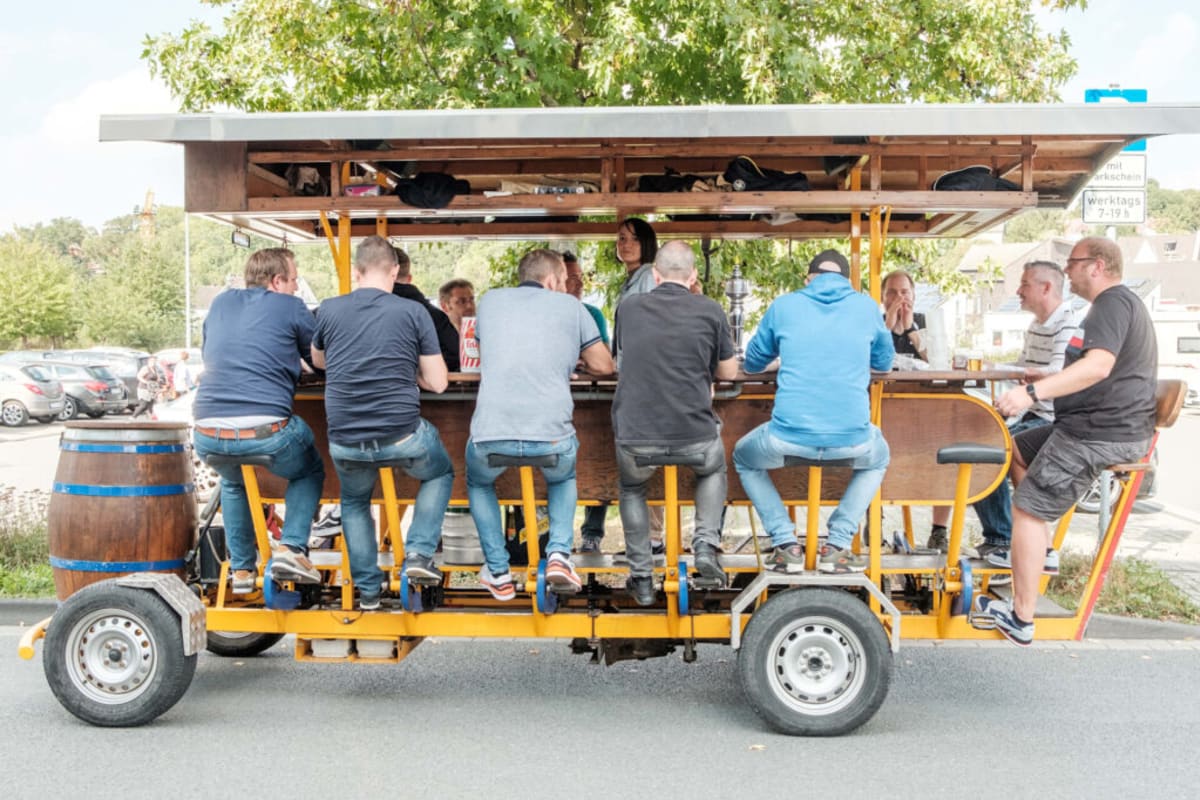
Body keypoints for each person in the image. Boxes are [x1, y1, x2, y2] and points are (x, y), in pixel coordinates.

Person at [976, 236, 1156, 645]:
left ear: (1096, 266)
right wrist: (1042, 381)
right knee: (1014, 450)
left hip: (1097, 434)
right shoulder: (1112, 306)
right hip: (1088, 426)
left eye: (1073, 264)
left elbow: (1098, 366)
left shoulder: (1111, 304)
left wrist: (1032, 394)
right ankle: (1041, 549)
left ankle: (1021, 617)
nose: (1068, 272)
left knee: (1027, 510)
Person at [311, 236, 455, 610]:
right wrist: (412, 372)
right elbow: (439, 383)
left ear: (356, 272)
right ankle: (419, 556)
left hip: (345, 438)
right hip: (402, 434)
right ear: (395, 272)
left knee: (356, 501)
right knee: (439, 473)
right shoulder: (413, 313)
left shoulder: (328, 309)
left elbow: (320, 361)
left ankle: (370, 594)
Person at [466, 249, 614, 600]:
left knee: (478, 482)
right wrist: (570, 356)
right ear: (551, 280)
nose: (565, 288)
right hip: (551, 436)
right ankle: (560, 554)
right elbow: (605, 366)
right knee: (562, 475)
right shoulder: (572, 308)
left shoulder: (489, 302)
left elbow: (495, 353)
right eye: (563, 282)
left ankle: (499, 572)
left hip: (490, 435)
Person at [734, 249, 894, 573]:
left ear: (809, 279)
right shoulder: (866, 307)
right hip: (854, 441)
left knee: (742, 456)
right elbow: (884, 362)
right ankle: (836, 544)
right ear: (847, 281)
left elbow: (752, 362)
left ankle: (785, 544)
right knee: (879, 456)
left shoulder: (785, 305)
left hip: (786, 439)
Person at [192, 248, 326, 594]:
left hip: (207, 432)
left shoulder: (220, 303)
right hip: (266, 432)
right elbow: (320, 359)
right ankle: (292, 548)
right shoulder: (290, 306)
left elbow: (219, 353)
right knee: (309, 468)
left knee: (235, 481)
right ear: (277, 280)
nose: (297, 288)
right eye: (294, 280)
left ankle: (242, 572)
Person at [612, 241, 738, 604]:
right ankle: (704, 547)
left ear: (654, 275)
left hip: (635, 436)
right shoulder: (710, 309)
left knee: (633, 488)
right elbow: (728, 371)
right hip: (693, 434)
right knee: (713, 470)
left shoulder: (630, 306)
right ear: (694, 275)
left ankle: (640, 577)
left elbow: (624, 356)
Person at [972, 260, 1081, 566]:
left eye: (1024, 284)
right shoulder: (1037, 325)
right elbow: (1024, 367)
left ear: (1046, 288)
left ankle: (1006, 540)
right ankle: (1013, 540)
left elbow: (1060, 372)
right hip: (1034, 414)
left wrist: (1022, 373)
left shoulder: (1068, 322)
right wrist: (1001, 368)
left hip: (1054, 419)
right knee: (977, 441)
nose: (1018, 291)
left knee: (989, 451)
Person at [882, 268, 951, 548]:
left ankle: (939, 530)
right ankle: (874, 522)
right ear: (883, 297)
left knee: (942, 453)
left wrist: (910, 330)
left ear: (914, 295)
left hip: (924, 406)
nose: (900, 298)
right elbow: (868, 358)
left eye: (905, 292)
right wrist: (886, 327)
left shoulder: (925, 323)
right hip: (884, 405)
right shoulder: (874, 324)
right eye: (893, 293)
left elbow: (938, 361)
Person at [562, 250, 612, 549]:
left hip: (591, 396)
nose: (578, 284)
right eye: (571, 279)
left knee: (600, 453)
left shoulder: (593, 313)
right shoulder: (544, 312)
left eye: (580, 278)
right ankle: (552, 539)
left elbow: (604, 357)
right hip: (553, 399)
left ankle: (592, 533)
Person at [391, 246, 461, 371]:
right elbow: (455, 356)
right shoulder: (436, 317)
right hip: (426, 387)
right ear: (409, 278)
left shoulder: (363, 314)